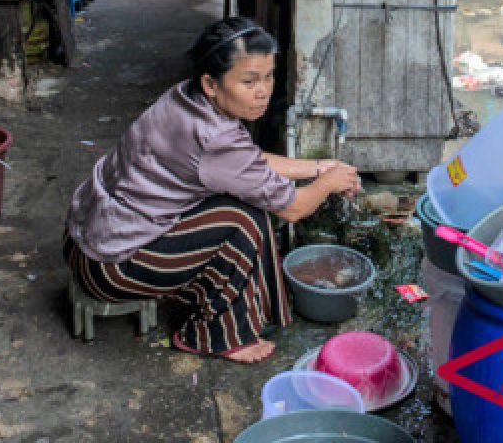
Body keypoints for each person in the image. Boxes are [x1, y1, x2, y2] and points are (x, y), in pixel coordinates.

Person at [64, 18, 361, 364]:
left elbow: (247, 162)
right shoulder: (215, 138)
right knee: (246, 220)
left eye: (268, 77)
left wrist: (315, 167)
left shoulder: (183, 97)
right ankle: (213, 335)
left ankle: (220, 303)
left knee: (242, 200)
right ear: (211, 83)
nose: (263, 90)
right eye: (249, 81)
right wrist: (327, 184)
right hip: (110, 268)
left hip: (82, 236)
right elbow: (293, 208)